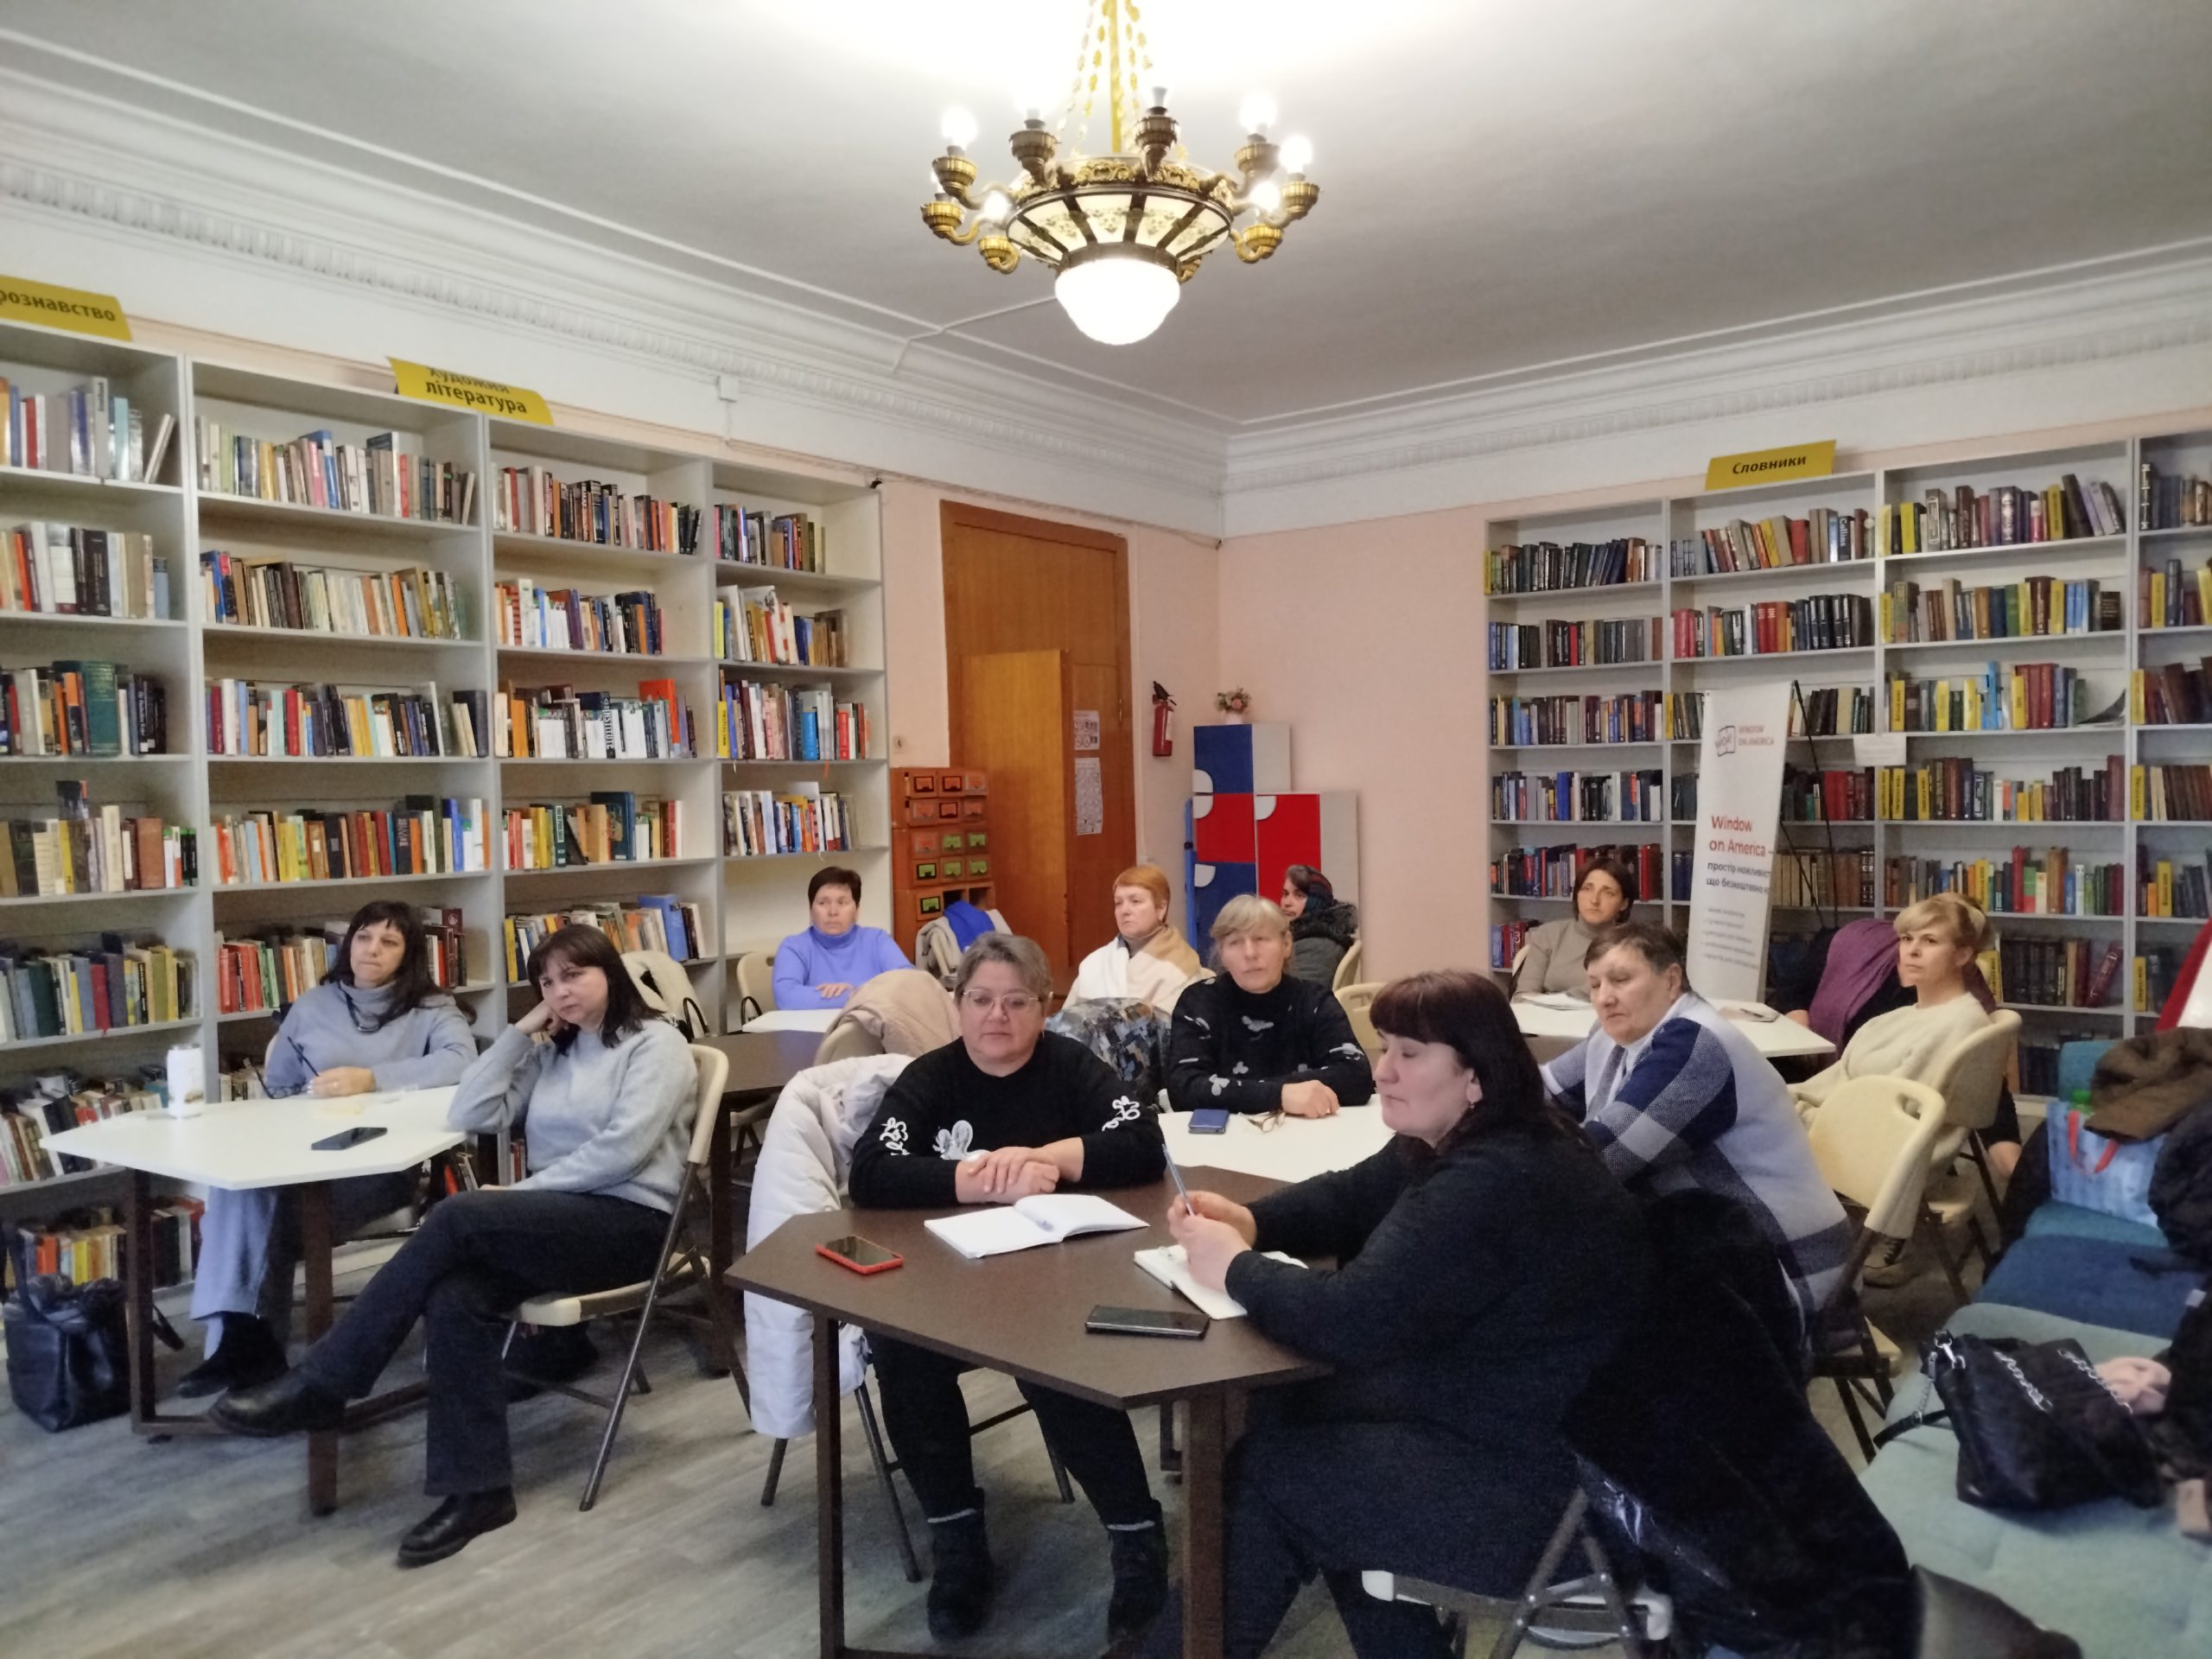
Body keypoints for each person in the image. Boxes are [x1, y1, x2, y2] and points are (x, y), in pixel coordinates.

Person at [1146, 971, 1649, 1659]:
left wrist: (1233, 1266)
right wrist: (1251, 1222)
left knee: (1279, 1478)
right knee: (1291, 1417)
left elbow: (1350, 1318)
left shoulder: (1493, 1178)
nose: (1382, 1070)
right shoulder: (1475, 1136)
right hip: (1513, 1421)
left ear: (1476, 1076)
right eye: (1384, 1047)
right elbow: (1352, 1197)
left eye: (1409, 1053)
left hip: (1553, 1496)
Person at [210, 925, 697, 1567]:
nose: (561, 992)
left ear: (611, 971)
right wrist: (521, 1034)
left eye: (575, 975)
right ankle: (479, 1491)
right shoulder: (556, 1051)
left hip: (632, 1226)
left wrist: (518, 1195)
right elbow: (470, 1112)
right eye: (547, 982)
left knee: (460, 1215)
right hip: (558, 1224)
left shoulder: (657, 1044)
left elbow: (623, 1153)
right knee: (455, 1294)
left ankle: (325, 1380)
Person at [848, 933, 1169, 1645]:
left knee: (1060, 1363)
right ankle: (957, 1537)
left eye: (1017, 1002)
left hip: (1056, 1281)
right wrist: (975, 1179)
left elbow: (1143, 1141)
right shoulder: (930, 1076)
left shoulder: (1071, 1067)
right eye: (981, 999)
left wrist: (1045, 1158)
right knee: (902, 1352)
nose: (997, 1015)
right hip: (947, 1281)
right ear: (958, 1005)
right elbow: (870, 1171)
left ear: (1044, 1007)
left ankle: (1136, 1538)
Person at [175, 902, 476, 1399]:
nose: (372, 950)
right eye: (364, 937)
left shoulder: (431, 1008)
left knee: (252, 1216)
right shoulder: (313, 1004)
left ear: (408, 954)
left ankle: (243, 1348)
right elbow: (278, 1089)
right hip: (301, 1159)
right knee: (237, 1188)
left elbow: (463, 1062)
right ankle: (246, 1349)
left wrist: (372, 1079)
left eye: (389, 942)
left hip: (377, 1171)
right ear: (348, 944)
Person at [1541, 922, 1853, 1347]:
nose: (1604, 997)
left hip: (1783, 1273)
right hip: (1717, 1252)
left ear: (1671, 981)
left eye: (1621, 979)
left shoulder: (1694, 1046)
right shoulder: (1618, 1033)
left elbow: (1601, 1162)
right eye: (1594, 985)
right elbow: (1541, 1092)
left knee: (1556, 1304)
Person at [1166, 895, 1373, 1117]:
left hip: (1306, 1131)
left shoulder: (1314, 1000)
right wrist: (1280, 1095)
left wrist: (1251, 1093)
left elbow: (1356, 1076)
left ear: (1286, 945)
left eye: (1261, 939)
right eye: (1235, 943)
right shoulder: (1199, 1002)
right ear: (1222, 954)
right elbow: (1184, 1088)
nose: (1250, 954)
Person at [1066, 863, 1205, 1014]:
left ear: (1161, 908)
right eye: (1118, 903)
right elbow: (1066, 1022)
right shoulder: (1095, 964)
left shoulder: (1182, 967)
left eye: (1135, 901)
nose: (1124, 910)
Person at [772, 865, 911, 1009]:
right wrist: (857, 995)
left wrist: (854, 990)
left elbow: (910, 984)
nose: (833, 912)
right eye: (823, 903)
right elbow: (786, 997)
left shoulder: (877, 940)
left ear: (857, 910)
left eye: (842, 902)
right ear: (811, 910)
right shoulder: (794, 947)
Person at [1511, 857, 1636, 998]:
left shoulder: (1633, 945)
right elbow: (1522, 997)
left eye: (1608, 893)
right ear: (1576, 895)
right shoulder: (1548, 935)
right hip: (1543, 1011)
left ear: (1624, 904)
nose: (1594, 900)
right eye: (1587, 889)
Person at [1280, 865, 1359, 985]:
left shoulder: (1316, 946)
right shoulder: (1302, 936)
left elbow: (1304, 994)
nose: (1287, 903)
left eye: (1299, 895)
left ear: (1316, 902)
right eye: (1285, 894)